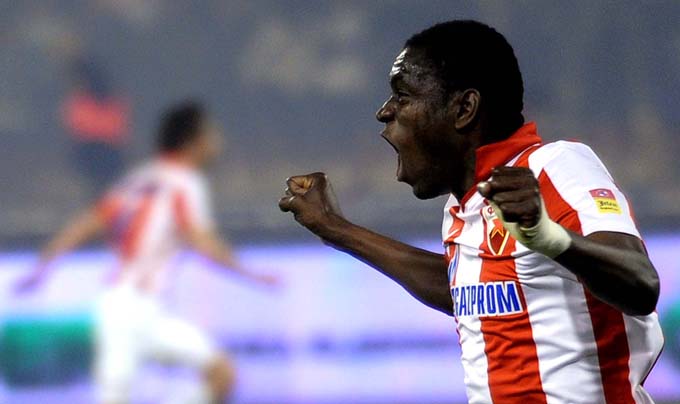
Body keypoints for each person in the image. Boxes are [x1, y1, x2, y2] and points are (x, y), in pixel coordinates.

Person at [278, 20, 663, 404]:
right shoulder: (464, 204)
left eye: (402, 95)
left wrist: (549, 237)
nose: (384, 112)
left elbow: (640, 283)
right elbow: (464, 289)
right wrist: (335, 228)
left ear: (464, 108)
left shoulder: (555, 168)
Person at [17, 101, 276, 404]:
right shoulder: (185, 183)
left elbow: (88, 223)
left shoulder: (139, 178)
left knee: (222, 374)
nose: (217, 142)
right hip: (131, 310)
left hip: (133, 310)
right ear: (192, 142)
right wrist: (250, 274)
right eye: (211, 134)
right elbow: (201, 241)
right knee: (218, 376)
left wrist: (43, 266)